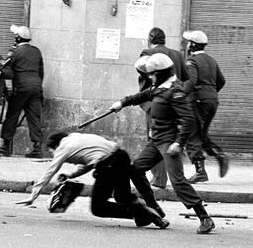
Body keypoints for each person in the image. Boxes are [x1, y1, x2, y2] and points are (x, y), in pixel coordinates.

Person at [110, 53, 215, 234]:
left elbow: (189, 119)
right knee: (135, 169)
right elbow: (142, 95)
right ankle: (153, 206)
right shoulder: (160, 87)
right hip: (156, 141)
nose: (150, 77)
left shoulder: (175, 91)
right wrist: (122, 103)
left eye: (153, 74)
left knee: (178, 182)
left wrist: (179, 142)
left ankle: (205, 218)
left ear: (163, 73)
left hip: (168, 143)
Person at [16, 131, 169, 229]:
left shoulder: (63, 147)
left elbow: (50, 170)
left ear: (56, 146)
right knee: (123, 197)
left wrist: (33, 194)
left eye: (52, 152)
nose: (54, 154)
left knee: (98, 208)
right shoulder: (77, 137)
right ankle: (152, 216)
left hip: (109, 165)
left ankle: (142, 214)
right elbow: (89, 162)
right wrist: (70, 175)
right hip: (121, 157)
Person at [139, 27, 189, 189]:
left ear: (149, 39)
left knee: (156, 138)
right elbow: (186, 79)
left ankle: (160, 179)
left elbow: (143, 78)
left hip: (157, 105)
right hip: (175, 104)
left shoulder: (147, 54)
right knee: (171, 138)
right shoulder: (178, 55)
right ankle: (175, 178)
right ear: (164, 40)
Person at [182, 30, 228, 184]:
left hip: (198, 102)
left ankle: (200, 171)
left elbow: (191, 81)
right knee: (201, 134)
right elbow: (221, 81)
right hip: (212, 101)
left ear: (193, 45)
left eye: (189, 42)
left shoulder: (192, 60)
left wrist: (180, 95)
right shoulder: (211, 60)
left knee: (192, 135)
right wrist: (210, 93)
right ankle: (219, 154)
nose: (187, 44)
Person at [0, 25, 44, 158]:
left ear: (18, 38)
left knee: (12, 116)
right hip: (36, 88)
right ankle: (37, 148)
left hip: (21, 89)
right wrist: (38, 87)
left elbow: (6, 70)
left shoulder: (14, 52)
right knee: (34, 118)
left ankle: (5, 146)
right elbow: (41, 72)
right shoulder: (37, 51)